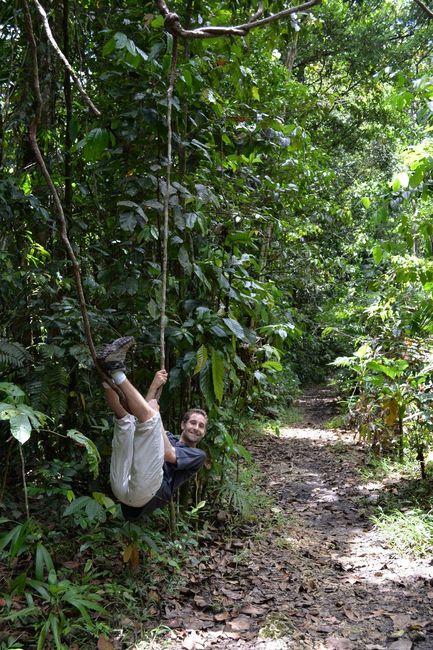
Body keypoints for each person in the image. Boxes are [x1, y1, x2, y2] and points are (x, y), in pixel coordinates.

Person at [96, 336, 208, 521]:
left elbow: (167, 453)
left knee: (150, 420)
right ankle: (106, 377)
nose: (196, 428)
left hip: (144, 494)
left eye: (201, 426)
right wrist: (154, 386)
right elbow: (145, 415)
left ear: (203, 433)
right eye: (193, 422)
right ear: (183, 425)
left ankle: (115, 368)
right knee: (127, 421)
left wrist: (157, 416)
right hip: (122, 483)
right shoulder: (168, 436)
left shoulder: (197, 455)